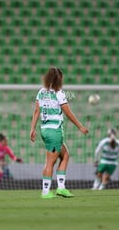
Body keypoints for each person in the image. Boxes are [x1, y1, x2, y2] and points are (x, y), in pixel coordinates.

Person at [30, 66, 89, 199]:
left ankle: (61, 188)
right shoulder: (59, 93)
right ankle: (45, 192)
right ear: (59, 79)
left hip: (44, 130)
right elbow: (67, 112)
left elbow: (36, 111)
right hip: (54, 131)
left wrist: (32, 129)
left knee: (65, 155)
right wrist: (80, 126)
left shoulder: (41, 92)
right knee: (50, 162)